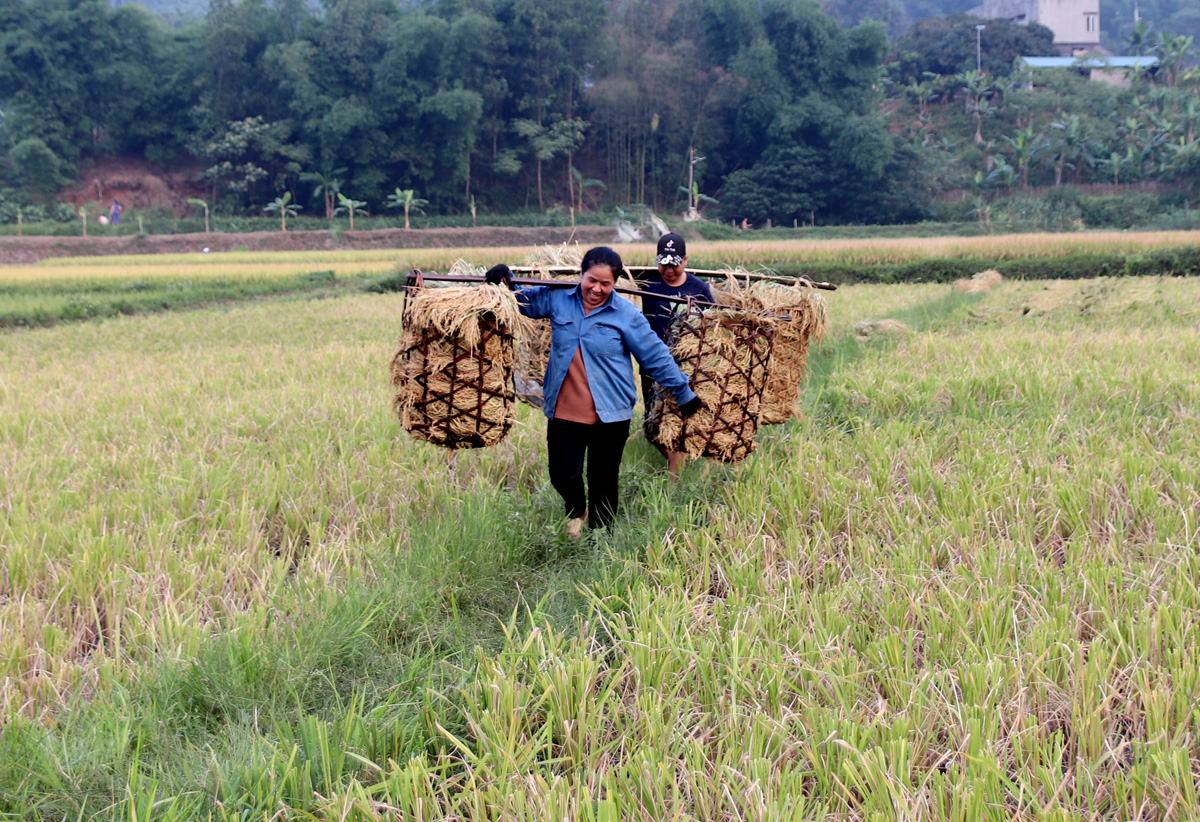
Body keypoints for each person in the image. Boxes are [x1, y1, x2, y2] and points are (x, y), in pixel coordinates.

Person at [486, 247, 701, 538]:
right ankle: (577, 509)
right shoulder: (559, 298)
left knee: (603, 481)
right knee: (562, 473)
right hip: (564, 410)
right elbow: (521, 302)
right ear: (581, 275)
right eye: (591, 280)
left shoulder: (626, 314)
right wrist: (504, 281)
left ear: (614, 283)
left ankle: (601, 543)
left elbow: (655, 355)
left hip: (610, 413)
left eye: (605, 283)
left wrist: (683, 392)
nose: (597, 289)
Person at [640, 233, 714, 478]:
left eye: (674, 263)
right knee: (652, 426)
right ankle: (680, 465)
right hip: (651, 364)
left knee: (675, 420)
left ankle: (675, 481)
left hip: (686, 367)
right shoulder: (648, 284)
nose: (668, 269)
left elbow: (714, 322)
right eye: (663, 263)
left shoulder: (698, 288)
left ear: (685, 261)